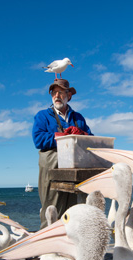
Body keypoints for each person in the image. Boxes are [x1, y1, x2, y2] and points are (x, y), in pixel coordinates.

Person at [32, 79, 93, 228]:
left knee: (73, 212)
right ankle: (47, 248)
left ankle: (67, 246)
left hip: (74, 170)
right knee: (51, 209)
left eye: (61, 92)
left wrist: (81, 133)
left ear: (69, 95)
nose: (57, 96)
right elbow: (38, 140)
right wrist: (62, 136)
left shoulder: (78, 117)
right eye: (54, 93)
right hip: (52, 168)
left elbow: (92, 140)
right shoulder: (42, 116)